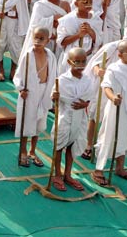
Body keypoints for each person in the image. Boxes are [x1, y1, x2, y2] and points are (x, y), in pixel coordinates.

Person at [92, 39, 127, 186]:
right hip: (117, 109)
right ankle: (99, 170)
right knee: (109, 137)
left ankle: (120, 168)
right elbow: (106, 87)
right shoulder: (114, 69)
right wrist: (113, 98)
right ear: (120, 54)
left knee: (125, 136)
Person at [50, 47, 94, 191]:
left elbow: (90, 98)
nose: (80, 65)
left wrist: (85, 104)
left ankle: (68, 174)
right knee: (59, 145)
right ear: (69, 62)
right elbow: (55, 99)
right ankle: (57, 174)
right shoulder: (62, 80)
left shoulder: (87, 79)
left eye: (83, 61)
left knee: (73, 146)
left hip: (80, 118)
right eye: (77, 62)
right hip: (65, 116)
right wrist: (55, 98)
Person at [14, 26, 57, 168]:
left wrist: (53, 92)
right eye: (35, 38)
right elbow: (19, 75)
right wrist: (21, 89)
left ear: (48, 40)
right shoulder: (28, 55)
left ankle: (33, 151)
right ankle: (22, 151)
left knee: (39, 124)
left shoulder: (50, 56)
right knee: (27, 122)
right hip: (30, 93)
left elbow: (53, 76)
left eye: (41, 38)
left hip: (44, 92)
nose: (37, 41)